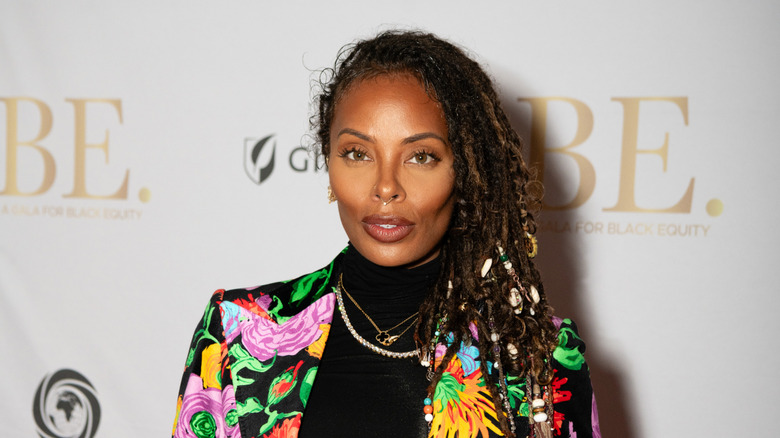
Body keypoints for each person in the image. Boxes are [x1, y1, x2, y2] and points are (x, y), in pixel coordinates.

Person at [172, 30, 600, 438]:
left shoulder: (535, 356)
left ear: (466, 171)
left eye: (421, 156)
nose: (385, 186)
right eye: (357, 154)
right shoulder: (239, 332)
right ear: (329, 163)